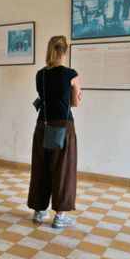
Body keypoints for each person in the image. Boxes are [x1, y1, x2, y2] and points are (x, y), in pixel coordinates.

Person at [28, 35, 81, 229]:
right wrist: (73, 95)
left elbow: (46, 98)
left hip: (42, 125)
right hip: (63, 127)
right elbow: (74, 102)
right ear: (65, 52)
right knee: (63, 170)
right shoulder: (71, 74)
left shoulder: (40, 74)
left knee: (41, 167)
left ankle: (39, 211)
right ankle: (60, 217)